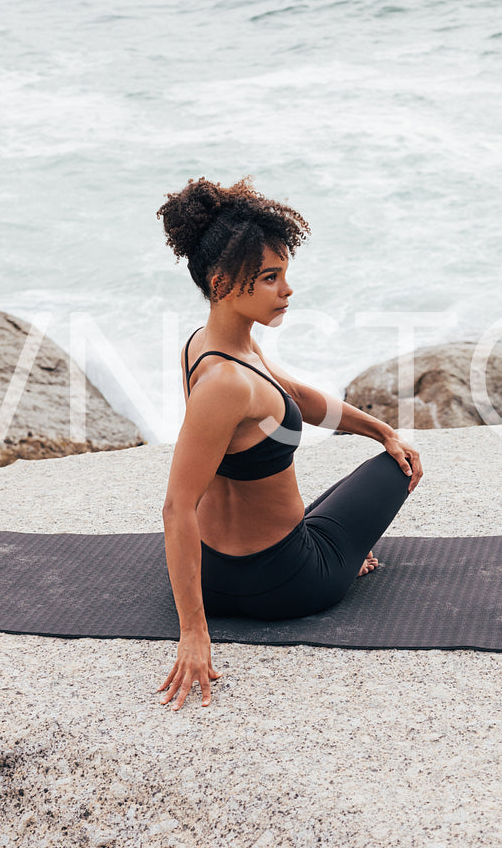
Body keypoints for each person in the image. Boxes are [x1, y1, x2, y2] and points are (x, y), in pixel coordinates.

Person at [156, 176, 423, 711]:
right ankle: (344, 558)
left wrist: (380, 429)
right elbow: (175, 506)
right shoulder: (227, 384)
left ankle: (341, 544)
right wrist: (192, 634)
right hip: (289, 581)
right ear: (224, 282)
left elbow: (293, 393)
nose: (287, 290)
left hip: (213, 573)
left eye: (284, 274)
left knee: (375, 461)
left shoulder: (206, 346)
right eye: (271, 278)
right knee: (401, 469)